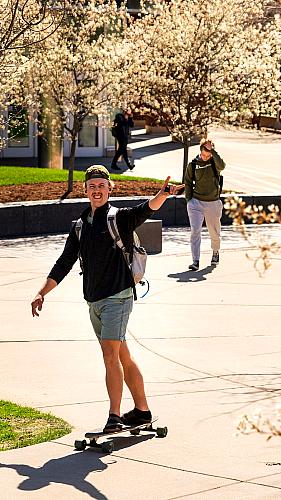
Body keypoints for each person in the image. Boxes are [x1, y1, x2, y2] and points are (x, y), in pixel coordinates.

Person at [31, 165, 184, 432]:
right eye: (92, 186)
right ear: (85, 190)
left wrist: (163, 195)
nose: (97, 190)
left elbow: (144, 210)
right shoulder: (80, 225)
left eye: (102, 185)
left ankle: (114, 415)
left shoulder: (118, 218)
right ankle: (142, 411)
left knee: (109, 353)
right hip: (94, 301)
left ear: (110, 188)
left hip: (119, 297)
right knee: (122, 354)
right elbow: (64, 262)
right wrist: (42, 292)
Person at [183, 138, 225, 271]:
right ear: (200, 151)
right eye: (204, 154)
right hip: (196, 203)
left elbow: (222, 166)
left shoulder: (215, 162)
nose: (206, 157)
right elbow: (188, 182)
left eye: (208, 155)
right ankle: (195, 260)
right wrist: (189, 200)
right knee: (195, 231)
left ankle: (215, 252)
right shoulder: (193, 164)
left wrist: (212, 150)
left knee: (214, 232)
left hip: (213, 203)